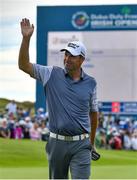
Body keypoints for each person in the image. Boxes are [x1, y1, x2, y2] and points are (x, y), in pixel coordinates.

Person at [18, 18, 99, 179]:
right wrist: (26, 39)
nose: (67, 58)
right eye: (66, 54)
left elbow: (94, 113)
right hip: (56, 143)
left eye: (73, 56)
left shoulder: (91, 83)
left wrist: (92, 142)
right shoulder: (50, 74)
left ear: (82, 59)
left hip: (81, 144)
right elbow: (23, 65)